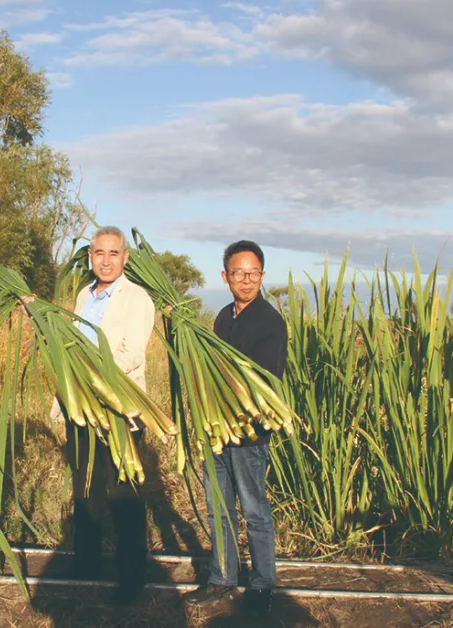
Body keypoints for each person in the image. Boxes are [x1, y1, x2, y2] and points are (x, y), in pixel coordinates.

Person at [51, 225, 156, 606]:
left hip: (119, 409)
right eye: (99, 253)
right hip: (82, 408)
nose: (106, 261)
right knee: (85, 491)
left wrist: (87, 371)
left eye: (114, 254)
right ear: (90, 256)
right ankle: (85, 566)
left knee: (123, 492)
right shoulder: (84, 295)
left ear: (125, 257)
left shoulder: (137, 298)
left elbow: (131, 354)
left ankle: (131, 577)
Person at [185, 240, 286, 618]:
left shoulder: (270, 322)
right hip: (216, 431)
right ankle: (222, 578)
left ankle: (261, 584)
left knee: (254, 511)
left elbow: (262, 380)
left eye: (253, 273)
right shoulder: (223, 318)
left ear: (263, 275)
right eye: (238, 273)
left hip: (249, 433)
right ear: (225, 276)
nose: (246, 280)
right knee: (218, 509)